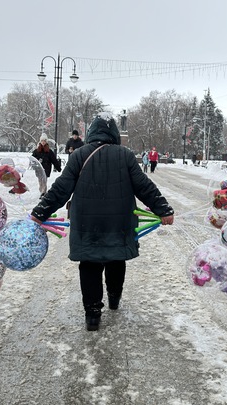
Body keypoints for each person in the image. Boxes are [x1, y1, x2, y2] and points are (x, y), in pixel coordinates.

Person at [30, 113, 175, 331]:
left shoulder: (79, 155)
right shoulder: (125, 155)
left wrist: (40, 212)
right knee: (116, 259)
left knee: (89, 264)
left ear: (91, 134)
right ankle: (114, 298)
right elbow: (144, 186)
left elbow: (61, 188)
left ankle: (92, 314)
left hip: (87, 224)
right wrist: (162, 209)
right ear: (114, 134)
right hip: (119, 222)